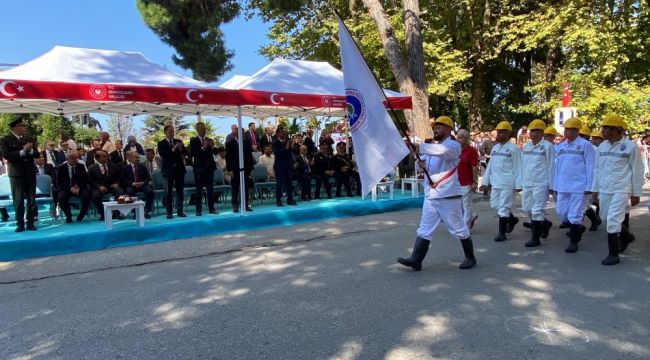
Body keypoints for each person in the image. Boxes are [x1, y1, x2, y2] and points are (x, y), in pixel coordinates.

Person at [396, 116, 477, 271]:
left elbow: (443, 152)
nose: (435, 129)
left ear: (448, 129)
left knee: (459, 228)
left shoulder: (453, 145)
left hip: (448, 196)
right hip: (431, 195)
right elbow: (424, 164)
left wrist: (420, 147)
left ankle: (470, 257)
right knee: (424, 228)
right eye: (434, 127)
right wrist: (420, 164)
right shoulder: (432, 146)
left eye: (439, 126)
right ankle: (416, 260)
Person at [591, 114, 645, 265]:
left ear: (617, 130)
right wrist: (595, 189)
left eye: (606, 128)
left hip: (621, 188)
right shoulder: (602, 147)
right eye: (603, 128)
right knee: (605, 217)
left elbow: (637, 170)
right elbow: (597, 169)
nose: (603, 131)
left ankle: (613, 254)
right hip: (605, 188)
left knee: (613, 219)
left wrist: (636, 193)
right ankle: (626, 236)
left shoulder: (630, 147)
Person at [553, 117, 595, 253]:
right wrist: (555, 184)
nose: (567, 132)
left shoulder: (585, 145)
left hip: (579, 186)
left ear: (577, 130)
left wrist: (589, 186)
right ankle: (577, 228)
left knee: (575, 214)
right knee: (561, 211)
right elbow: (557, 167)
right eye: (566, 129)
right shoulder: (562, 146)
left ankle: (573, 241)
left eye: (570, 129)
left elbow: (590, 166)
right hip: (562, 185)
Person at [480, 121, 522, 242]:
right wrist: (485, 182)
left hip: (508, 183)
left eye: (502, 132)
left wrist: (518, 184)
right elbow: (490, 166)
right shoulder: (495, 148)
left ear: (508, 133)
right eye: (498, 132)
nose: (498, 134)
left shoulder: (514, 149)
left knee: (503, 207)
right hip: (496, 182)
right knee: (494, 205)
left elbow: (518, 167)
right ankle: (512, 219)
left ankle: (501, 233)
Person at [520, 120, 554, 247]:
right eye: (531, 131)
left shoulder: (548, 146)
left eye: (534, 131)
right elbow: (523, 165)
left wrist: (551, 185)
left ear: (541, 132)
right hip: (527, 182)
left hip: (541, 182)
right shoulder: (527, 146)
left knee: (537, 210)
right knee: (527, 208)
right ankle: (544, 224)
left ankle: (535, 239)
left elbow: (551, 166)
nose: (531, 133)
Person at [0, 118, 38, 232]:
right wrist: (23, 151)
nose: (25, 128)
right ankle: (19, 223)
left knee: (31, 199)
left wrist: (30, 151)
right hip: (16, 174)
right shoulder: (5, 140)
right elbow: (7, 155)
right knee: (18, 199)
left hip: (30, 172)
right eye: (23, 126)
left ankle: (30, 222)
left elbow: (36, 153)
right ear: (15, 127)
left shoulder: (29, 139)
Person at [157, 125, 188, 219]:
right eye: (170, 131)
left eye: (173, 131)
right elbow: (164, 155)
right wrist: (174, 148)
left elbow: (186, 153)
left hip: (179, 169)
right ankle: (169, 212)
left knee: (180, 191)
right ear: (165, 132)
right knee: (168, 192)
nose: (172, 133)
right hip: (167, 170)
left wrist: (181, 149)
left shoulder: (178, 141)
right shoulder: (161, 143)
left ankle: (180, 211)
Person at [189, 122, 218, 216]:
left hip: (209, 169)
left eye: (204, 128)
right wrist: (203, 147)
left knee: (210, 189)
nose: (204, 130)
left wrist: (212, 146)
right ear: (197, 130)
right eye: (201, 129)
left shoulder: (208, 140)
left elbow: (216, 152)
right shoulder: (193, 140)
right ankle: (198, 210)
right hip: (199, 170)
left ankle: (211, 208)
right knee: (199, 190)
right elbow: (192, 153)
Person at [87, 150, 124, 221]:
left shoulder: (113, 165)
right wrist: (99, 186)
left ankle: (117, 213)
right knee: (95, 196)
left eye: (106, 155)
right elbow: (90, 181)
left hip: (112, 186)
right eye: (104, 156)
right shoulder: (91, 168)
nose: (107, 157)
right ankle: (103, 214)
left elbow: (119, 177)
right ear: (98, 159)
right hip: (99, 187)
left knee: (120, 192)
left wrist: (117, 183)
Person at [56, 150, 91, 223]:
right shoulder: (61, 168)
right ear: (68, 159)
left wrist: (78, 187)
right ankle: (68, 215)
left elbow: (85, 180)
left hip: (79, 188)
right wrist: (70, 188)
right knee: (61, 197)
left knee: (86, 195)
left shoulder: (81, 166)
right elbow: (59, 182)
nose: (75, 160)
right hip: (66, 188)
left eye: (76, 158)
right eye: (73, 158)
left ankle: (82, 214)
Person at [456, 129, 479, 230]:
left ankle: (465, 228)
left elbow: (474, 167)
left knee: (466, 205)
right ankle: (472, 216)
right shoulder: (456, 150)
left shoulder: (471, 151)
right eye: (457, 137)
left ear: (466, 138)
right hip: (456, 182)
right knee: (458, 206)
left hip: (467, 182)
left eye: (460, 137)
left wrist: (474, 181)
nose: (458, 139)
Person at [225, 129, 254, 212]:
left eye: (243, 133)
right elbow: (228, 158)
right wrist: (230, 170)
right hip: (234, 169)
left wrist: (251, 168)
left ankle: (245, 205)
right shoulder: (230, 143)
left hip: (245, 169)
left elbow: (249, 156)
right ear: (236, 133)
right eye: (239, 133)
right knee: (235, 187)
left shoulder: (246, 143)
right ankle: (235, 205)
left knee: (245, 187)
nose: (241, 134)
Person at [122, 151, 154, 219]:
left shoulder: (143, 167)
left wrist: (142, 183)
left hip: (142, 185)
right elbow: (124, 180)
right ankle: (135, 212)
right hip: (132, 185)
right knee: (129, 192)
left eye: (138, 157)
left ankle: (146, 210)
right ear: (131, 158)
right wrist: (133, 184)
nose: (138, 159)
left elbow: (147, 178)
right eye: (136, 158)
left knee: (150, 191)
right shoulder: (125, 168)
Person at [272, 127, 297, 207]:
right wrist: (285, 148)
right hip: (279, 165)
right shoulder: (275, 142)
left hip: (288, 165)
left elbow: (292, 152)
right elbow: (277, 153)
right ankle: (278, 200)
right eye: (282, 132)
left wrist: (292, 146)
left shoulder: (287, 141)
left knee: (289, 182)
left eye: (284, 132)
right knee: (279, 183)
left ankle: (290, 199)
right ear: (278, 133)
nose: (284, 133)